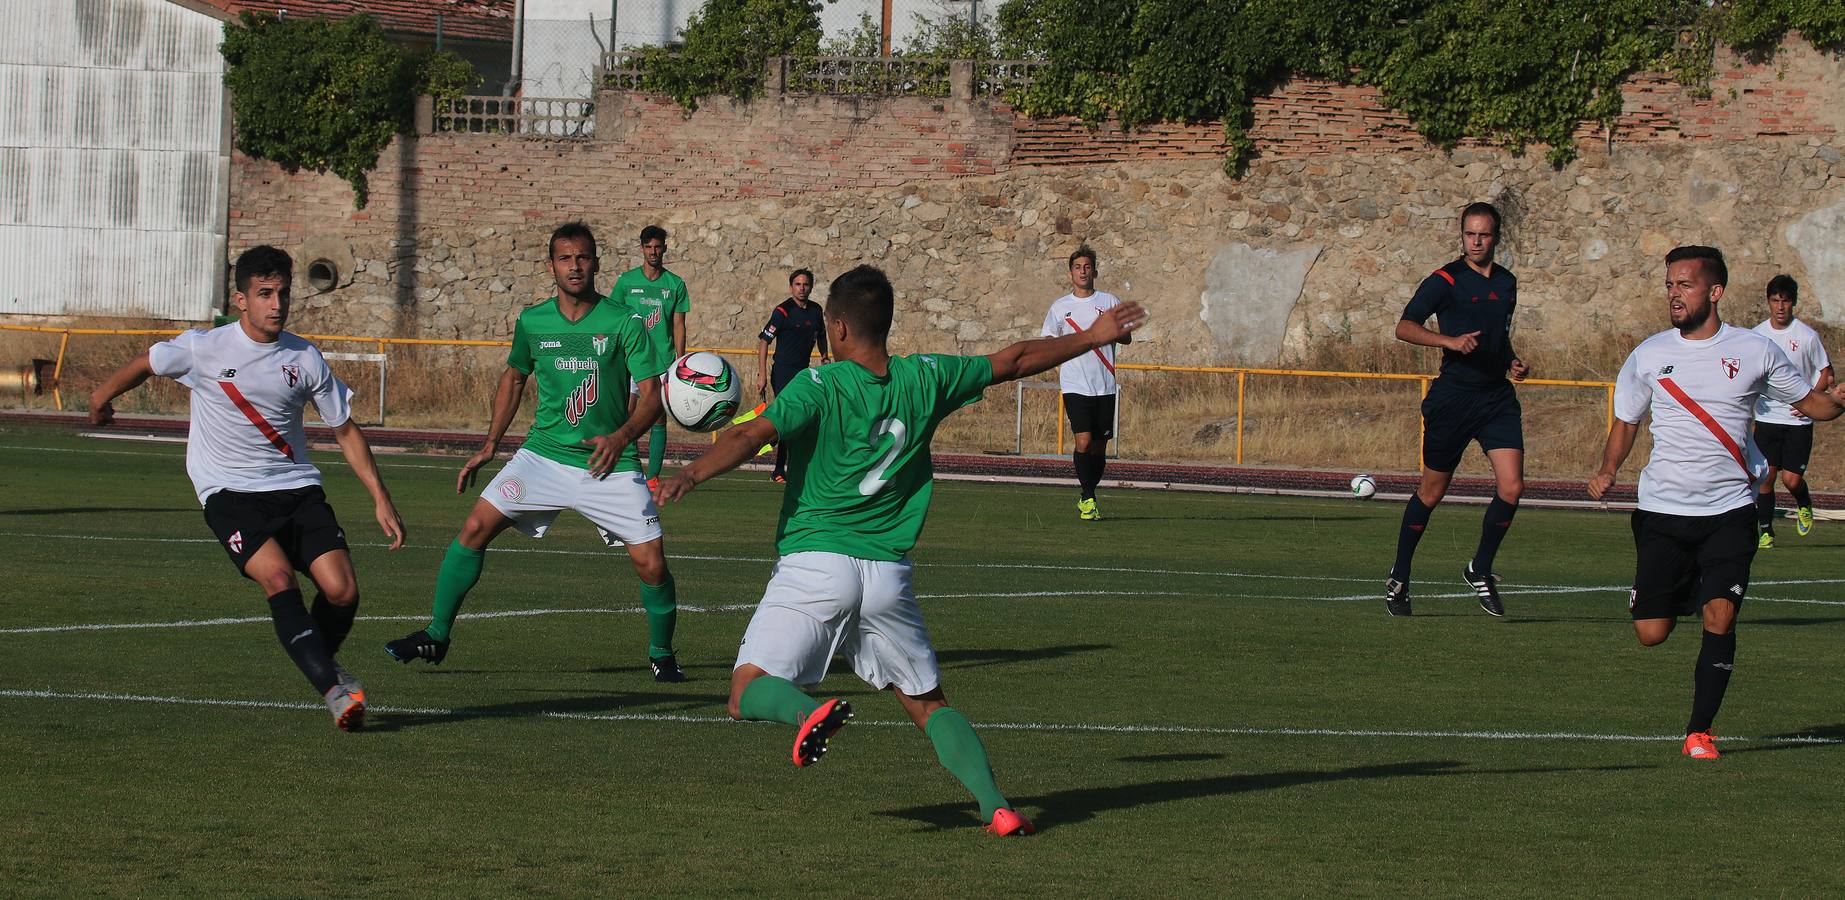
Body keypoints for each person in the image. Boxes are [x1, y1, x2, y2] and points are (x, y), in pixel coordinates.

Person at [657, 265, 1147, 835]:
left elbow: (750, 434)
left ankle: (804, 713)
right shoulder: (926, 378)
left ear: (835, 327)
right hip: (887, 574)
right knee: (926, 703)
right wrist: (1094, 335)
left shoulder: (818, 385)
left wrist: (691, 473)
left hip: (818, 562)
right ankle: (997, 806)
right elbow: (1012, 361)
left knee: (745, 690)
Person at [89, 245, 405, 731]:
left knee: (342, 593)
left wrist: (380, 497)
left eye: (282, 293)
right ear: (241, 299)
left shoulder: (304, 356)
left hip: (296, 488)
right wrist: (99, 399)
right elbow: (147, 363)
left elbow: (344, 429)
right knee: (279, 580)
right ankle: (335, 692)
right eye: (264, 294)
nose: (276, 304)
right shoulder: (203, 348)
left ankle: (319, 660)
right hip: (229, 494)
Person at [384, 222, 687, 682]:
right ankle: (436, 635)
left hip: (608, 461)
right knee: (473, 528)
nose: (575, 266)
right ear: (551, 266)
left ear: (596, 264)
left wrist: (622, 438)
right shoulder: (532, 321)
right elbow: (513, 377)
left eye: (583, 257)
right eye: (565, 258)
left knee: (652, 562)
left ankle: (662, 652)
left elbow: (651, 396)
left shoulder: (623, 321)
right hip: (542, 456)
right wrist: (490, 445)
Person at [1589, 246, 1845, 760]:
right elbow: (1627, 421)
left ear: (1715, 291)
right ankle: (1652, 597)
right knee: (1651, 634)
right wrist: (1608, 469)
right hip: (1662, 510)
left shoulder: (1756, 351)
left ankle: (1699, 731)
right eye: (1669, 285)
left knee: (1720, 617)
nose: (1674, 294)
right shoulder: (1648, 353)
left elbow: (1810, 404)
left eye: (1684, 285)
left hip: (1730, 512)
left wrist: (1836, 404)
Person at [1385, 201, 1529, 617]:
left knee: (1512, 487)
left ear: (1496, 236)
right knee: (1432, 492)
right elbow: (1405, 326)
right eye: (1470, 234)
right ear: (1462, 236)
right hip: (1453, 399)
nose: (1477, 240)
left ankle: (1479, 567)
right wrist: (1448, 342)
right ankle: (1400, 577)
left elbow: (1498, 338)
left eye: (1484, 234)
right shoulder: (1445, 279)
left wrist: (1512, 362)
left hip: (1496, 398)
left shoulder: (1506, 282)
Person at [1041, 246, 1130, 521]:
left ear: (1094, 271)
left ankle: (1087, 493)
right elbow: (1048, 341)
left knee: (1099, 447)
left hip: (1104, 383)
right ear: (1070, 274)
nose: (1082, 271)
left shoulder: (1109, 301)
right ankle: (1089, 497)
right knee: (1083, 442)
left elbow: (1126, 338)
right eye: (1078, 267)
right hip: (1074, 383)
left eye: (1087, 267)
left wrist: (1114, 331)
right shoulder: (1060, 307)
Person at [1750, 275, 1833, 548]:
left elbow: (1826, 373)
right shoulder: (1757, 335)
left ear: (1793, 302)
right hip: (1766, 417)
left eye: (1785, 300)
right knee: (1766, 476)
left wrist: (1810, 400)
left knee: (1791, 480)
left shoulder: (1807, 336)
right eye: (1775, 300)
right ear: (1768, 302)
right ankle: (1766, 531)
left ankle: (1804, 503)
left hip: (1798, 421)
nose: (1780, 306)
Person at [613, 225, 689, 492]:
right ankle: (630, 469)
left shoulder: (675, 284)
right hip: (632, 359)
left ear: (665, 248)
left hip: (663, 362)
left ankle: (653, 476)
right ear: (642, 249)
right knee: (627, 416)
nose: (653, 251)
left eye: (658, 246)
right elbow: (615, 319)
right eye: (649, 247)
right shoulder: (626, 282)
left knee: (657, 418)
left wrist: (680, 362)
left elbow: (678, 324)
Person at [756, 268, 831, 482]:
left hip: (803, 373)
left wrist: (824, 357)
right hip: (782, 372)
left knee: (803, 420)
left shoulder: (816, 311)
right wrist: (762, 375)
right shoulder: (783, 311)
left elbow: (822, 336)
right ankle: (779, 470)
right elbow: (764, 342)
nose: (802, 288)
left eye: (805, 284)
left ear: (811, 287)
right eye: (798, 284)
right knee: (789, 419)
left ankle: (797, 467)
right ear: (791, 287)